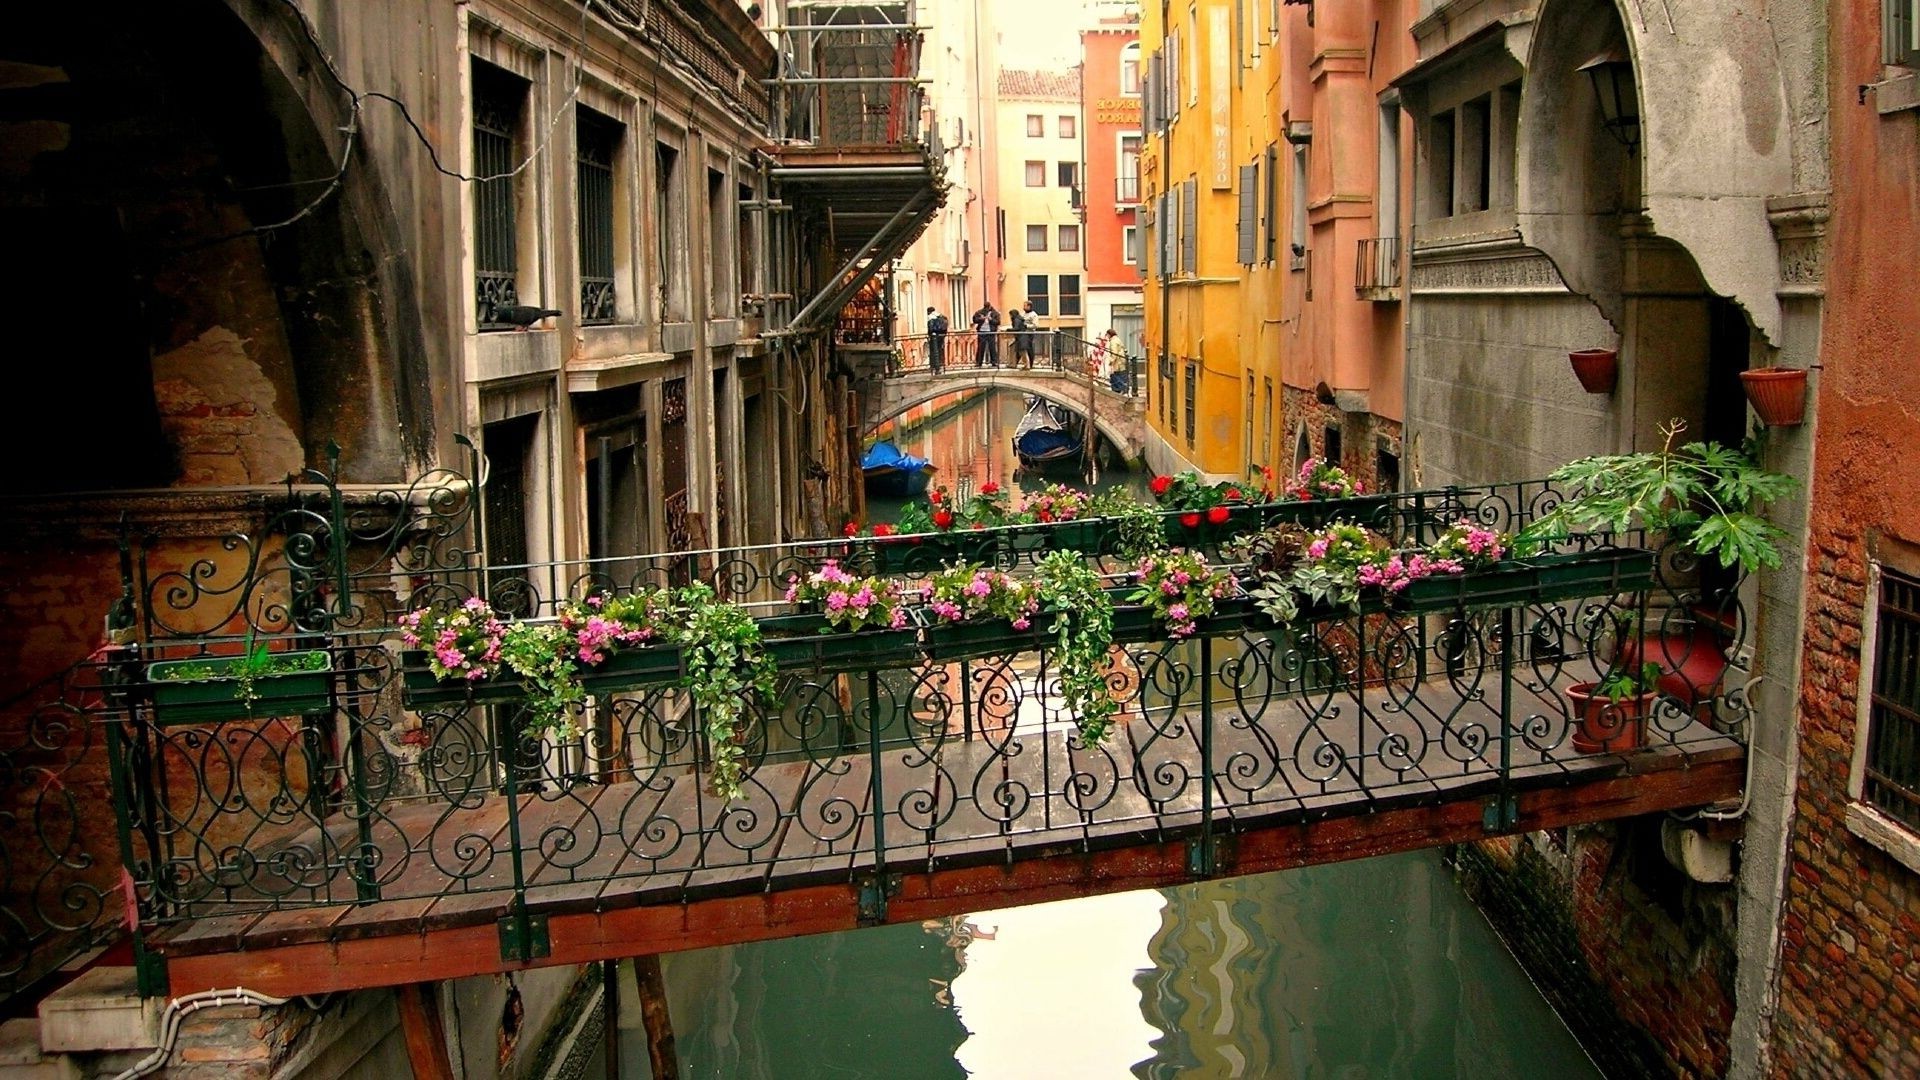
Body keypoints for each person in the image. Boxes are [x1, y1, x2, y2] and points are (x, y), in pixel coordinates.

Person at [973, 303, 1000, 367]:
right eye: (986, 307)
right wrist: (981, 319)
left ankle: (994, 362)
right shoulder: (979, 312)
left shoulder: (995, 313)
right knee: (981, 347)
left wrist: (991, 319)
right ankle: (979, 362)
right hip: (982, 331)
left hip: (991, 332)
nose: (987, 309)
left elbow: (998, 322)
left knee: (992, 347)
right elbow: (974, 320)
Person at [1013, 302, 1038, 368]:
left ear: (1029, 306)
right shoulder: (1023, 314)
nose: (1023, 307)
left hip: (1029, 334)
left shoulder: (1033, 315)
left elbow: (1035, 325)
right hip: (1022, 334)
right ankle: (1015, 363)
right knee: (1020, 348)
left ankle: (1030, 364)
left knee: (1028, 349)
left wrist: (1026, 326)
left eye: (1025, 306)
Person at [926, 306, 948, 373]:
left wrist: (930, 334)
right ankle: (940, 364)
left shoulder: (930, 317)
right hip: (941, 335)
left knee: (934, 351)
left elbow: (931, 328)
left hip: (934, 336)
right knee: (940, 350)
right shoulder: (940, 315)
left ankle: (936, 367)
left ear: (929, 311)